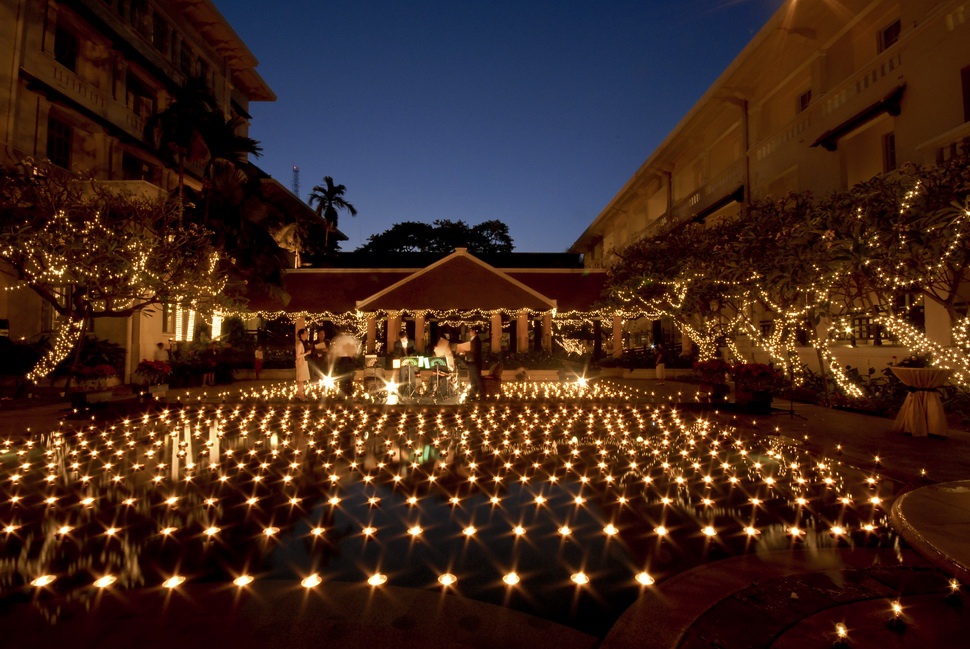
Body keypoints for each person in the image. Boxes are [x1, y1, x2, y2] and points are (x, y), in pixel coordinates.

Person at [328, 328, 360, 397]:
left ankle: (343, 394)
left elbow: (334, 351)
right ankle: (350, 393)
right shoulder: (351, 339)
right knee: (349, 377)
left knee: (342, 378)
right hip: (348, 360)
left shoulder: (337, 339)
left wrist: (332, 360)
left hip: (342, 360)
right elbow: (356, 351)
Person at [462, 327, 484, 400]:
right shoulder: (473, 339)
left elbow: (474, 351)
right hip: (471, 361)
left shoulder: (476, 340)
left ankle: (482, 394)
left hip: (474, 362)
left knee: (477, 378)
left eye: (470, 331)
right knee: (472, 379)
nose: (469, 332)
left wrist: (466, 352)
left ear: (474, 331)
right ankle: (473, 394)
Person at [295, 328, 312, 399]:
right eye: (306, 333)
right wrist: (306, 353)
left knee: (302, 379)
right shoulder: (299, 343)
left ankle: (298, 394)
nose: (307, 334)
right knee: (301, 380)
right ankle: (301, 396)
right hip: (301, 363)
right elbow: (297, 355)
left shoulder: (304, 342)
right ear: (302, 335)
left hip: (304, 362)